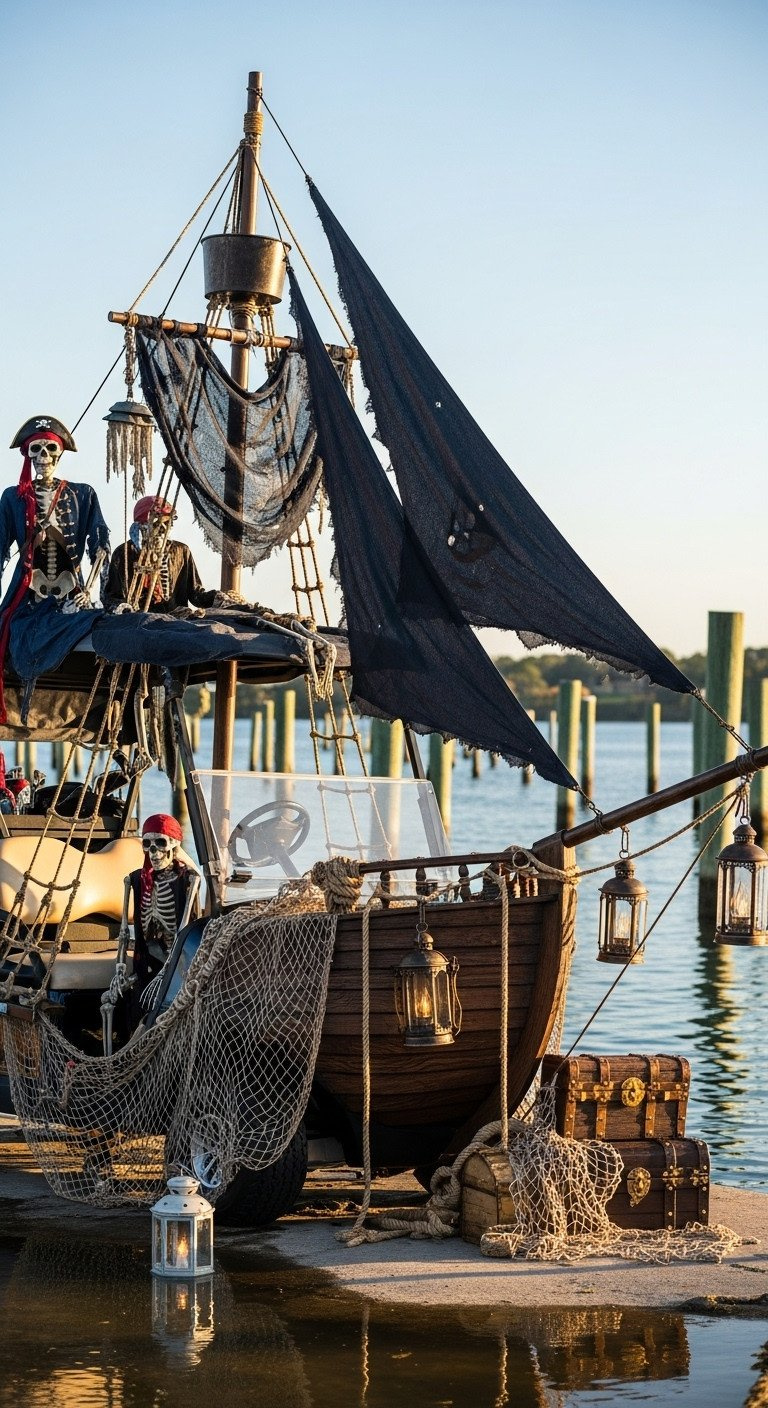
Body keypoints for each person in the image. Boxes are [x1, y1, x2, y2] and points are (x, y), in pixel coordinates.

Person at [0, 416, 110, 719]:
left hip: (71, 591)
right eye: (36, 450)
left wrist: (91, 590)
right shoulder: (13, 496)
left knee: (96, 621)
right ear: (28, 454)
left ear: (60, 454)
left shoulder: (82, 493)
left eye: (50, 449)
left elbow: (100, 543)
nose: (43, 457)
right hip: (28, 592)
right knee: (10, 631)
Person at [104, 495, 239, 613]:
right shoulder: (123, 553)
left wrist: (221, 600)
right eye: (158, 523)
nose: (164, 529)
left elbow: (196, 594)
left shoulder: (181, 551)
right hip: (137, 623)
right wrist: (124, 609)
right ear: (143, 523)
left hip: (174, 621)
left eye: (168, 523)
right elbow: (111, 597)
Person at [128, 812, 200, 1002]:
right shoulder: (137, 878)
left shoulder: (187, 878)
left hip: (177, 957)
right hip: (148, 955)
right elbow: (127, 931)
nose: (153, 852)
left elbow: (189, 924)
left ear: (174, 844)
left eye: (160, 843)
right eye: (147, 845)